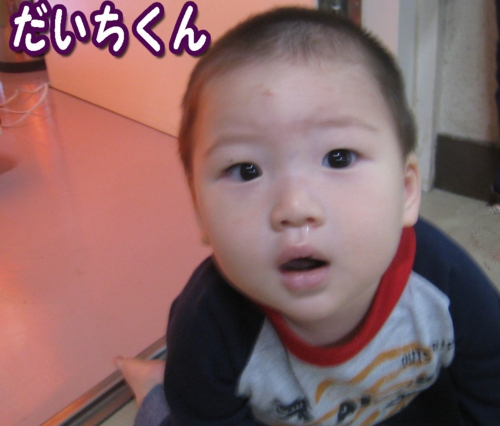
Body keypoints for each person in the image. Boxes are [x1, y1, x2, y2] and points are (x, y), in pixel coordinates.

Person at [116, 7, 500, 425]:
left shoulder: (442, 284)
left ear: (406, 192)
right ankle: (154, 386)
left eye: (339, 158)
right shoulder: (207, 330)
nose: (294, 208)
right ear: (199, 213)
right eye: (246, 170)